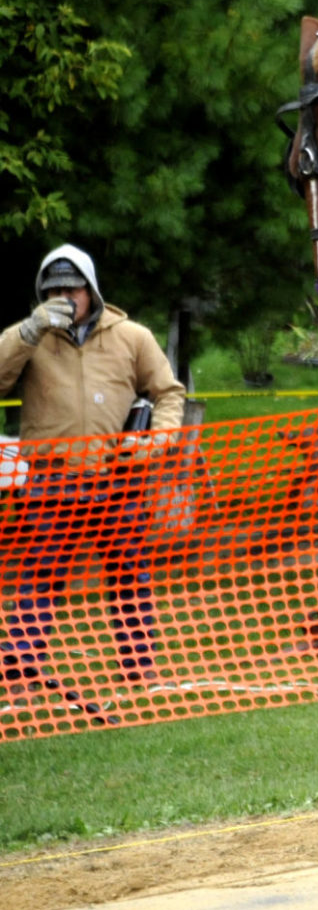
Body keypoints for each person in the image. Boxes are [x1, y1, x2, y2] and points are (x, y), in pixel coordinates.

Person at [0, 245, 187, 710]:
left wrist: (158, 441)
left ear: (91, 290)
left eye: (72, 288)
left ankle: (142, 672)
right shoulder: (29, 337)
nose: (64, 297)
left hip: (117, 478)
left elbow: (169, 393)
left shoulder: (132, 336)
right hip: (50, 479)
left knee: (129, 577)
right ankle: (21, 678)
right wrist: (28, 330)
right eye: (55, 290)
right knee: (39, 580)